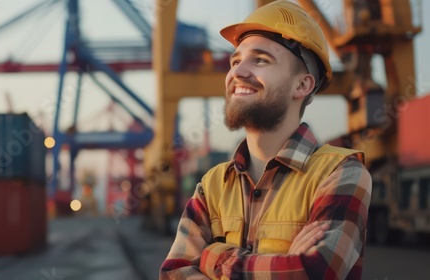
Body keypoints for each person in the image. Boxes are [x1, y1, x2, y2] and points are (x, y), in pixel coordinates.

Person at [159, 1, 372, 279]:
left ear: (303, 85)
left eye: (260, 60)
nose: (237, 72)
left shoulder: (341, 173)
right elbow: (172, 273)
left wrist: (213, 255)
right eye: (235, 61)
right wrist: (282, 264)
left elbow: (314, 271)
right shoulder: (211, 187)